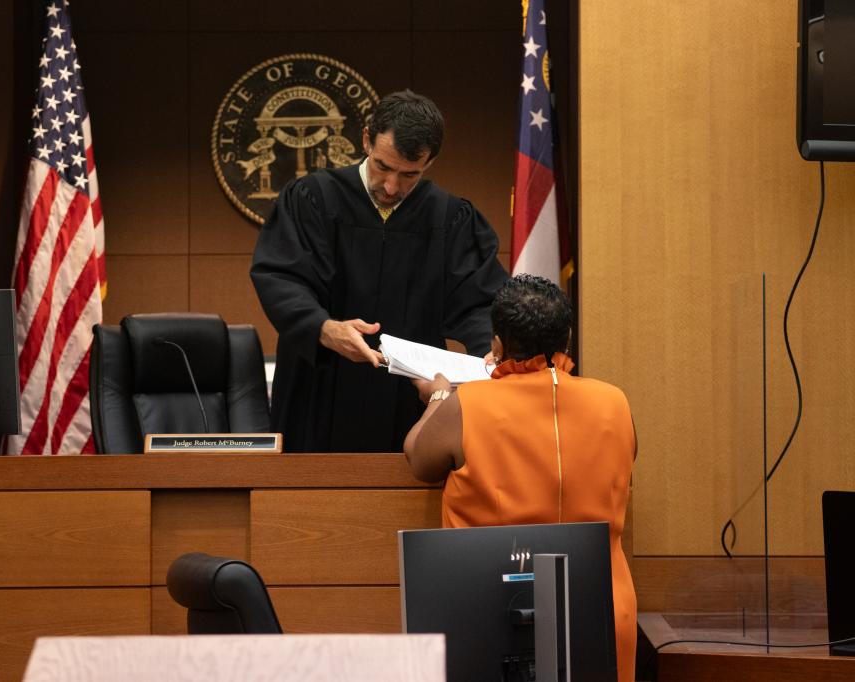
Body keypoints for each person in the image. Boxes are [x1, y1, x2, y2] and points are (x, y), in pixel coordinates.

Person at [404, 274, 637, 682]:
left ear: (496, 343)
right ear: (567, 339)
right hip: (600, 608)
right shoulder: (615, 402)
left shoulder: (469, 403)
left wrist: (438, 396)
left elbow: (419, 460)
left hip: (496, 616)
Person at [250, 90, 508, 452]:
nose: (391, 187)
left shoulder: (449, 218)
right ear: (367, 138)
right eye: (383, 166)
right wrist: (322, 327)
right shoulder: (313, 199)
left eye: (409, 175)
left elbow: (481, 299)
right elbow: (280, 275)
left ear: (429, 163)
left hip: (410, 396)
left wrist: (487, 349)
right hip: (321, 386)